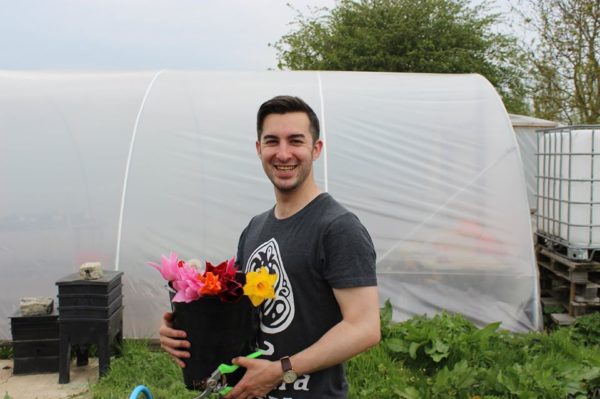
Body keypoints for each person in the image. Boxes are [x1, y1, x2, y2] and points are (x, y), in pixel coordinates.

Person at [159, 95, 380, 399]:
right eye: (272, 141)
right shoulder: (255, 229)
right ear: (259, 148)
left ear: (316, 149)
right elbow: (238, 317)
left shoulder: (338, 227)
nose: (284, 153)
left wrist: (280, 371)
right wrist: (185, 332)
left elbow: (365, 327)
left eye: (296, 141)